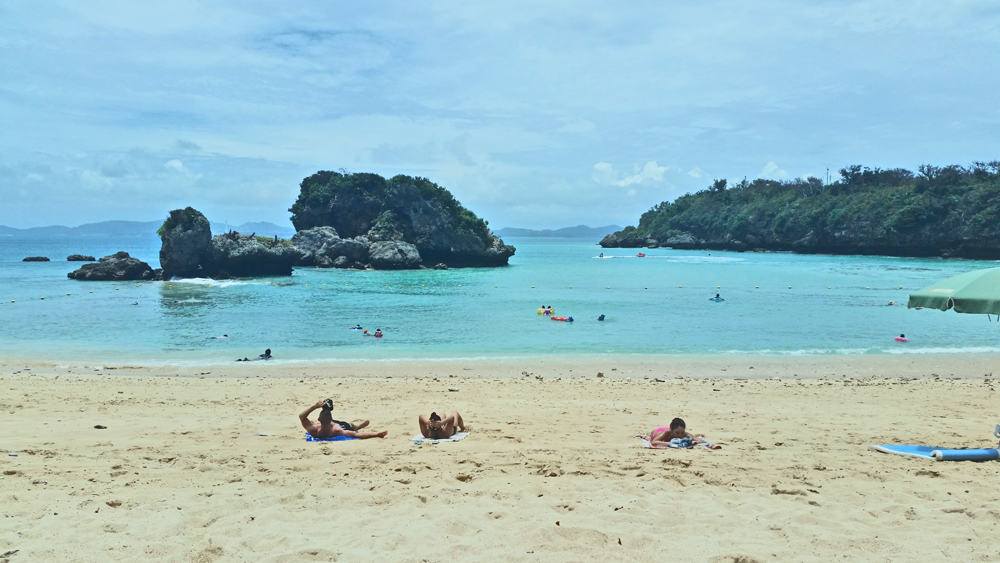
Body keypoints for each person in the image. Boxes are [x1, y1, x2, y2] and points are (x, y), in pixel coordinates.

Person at [299, 398, 387, 439]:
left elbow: (301, 417)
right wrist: (376, 434)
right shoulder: (337, 430)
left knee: (349, 424)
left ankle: (355, 426)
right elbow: (356, 435)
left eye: (326, 413)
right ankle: (357, 427)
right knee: (351, 427)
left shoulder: (313, 428)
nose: (325, 414)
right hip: (340, 426)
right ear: (319, 419)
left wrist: (314, 407)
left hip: (334, 424)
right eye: (324, 413)